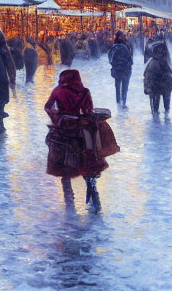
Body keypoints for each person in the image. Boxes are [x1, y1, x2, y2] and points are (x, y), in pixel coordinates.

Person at [44, 69, 113, 211]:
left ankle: (69, 204)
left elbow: (48, 107)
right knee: (87, 163)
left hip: (63, 133)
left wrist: (57, 117)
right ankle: (94, 197)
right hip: (81, 132)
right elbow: (88, 111)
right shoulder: (85, 92)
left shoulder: (58, 91)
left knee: (65, 169)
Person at [143, 39, 172, 114]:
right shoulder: (163, 62)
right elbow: (171, 74)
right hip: (163, 86)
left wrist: (148, 86)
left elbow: (147, 76)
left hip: (157, 87)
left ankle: (158, 119)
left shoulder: (153, 62)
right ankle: (163, 119)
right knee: (165, 108)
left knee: (156, 108)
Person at [108, 31, 133, 108]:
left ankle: (118, 103)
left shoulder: (114, 47)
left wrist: (115, 66)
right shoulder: (126, 46)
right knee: (124, 87)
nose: (125, 36)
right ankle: (123, 104)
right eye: (123, 35)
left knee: (117, 88)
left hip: (117, 70)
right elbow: (131, 60)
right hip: (126, 70)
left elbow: (110, 59)